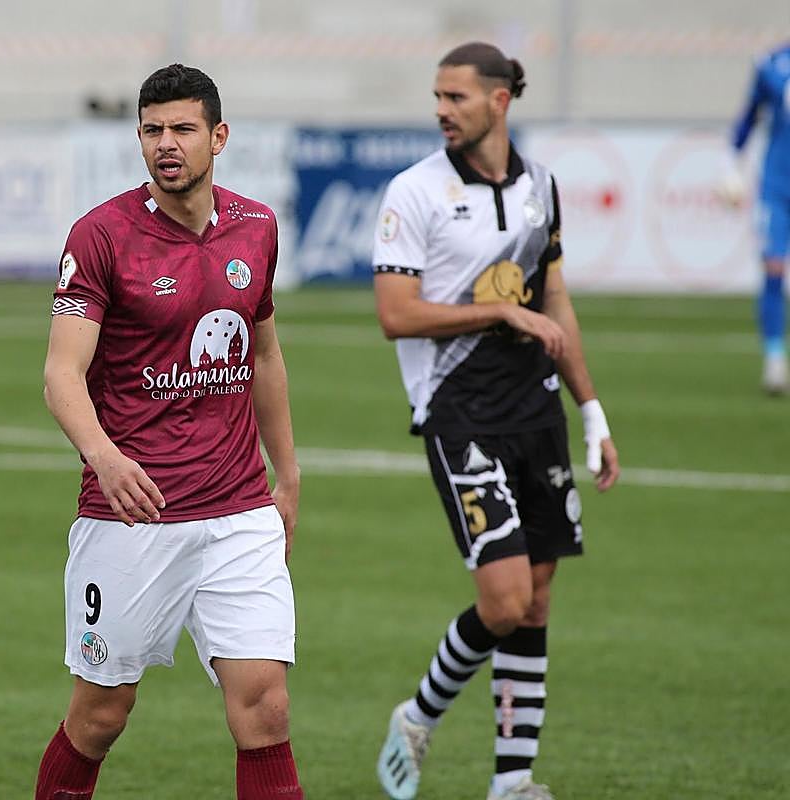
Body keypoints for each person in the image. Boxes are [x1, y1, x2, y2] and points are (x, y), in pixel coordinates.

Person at [34, 63, 305, 800]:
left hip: (238, 508)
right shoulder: (100, 237)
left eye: (182, 128)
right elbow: (62, 376)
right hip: (133, 513)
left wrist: (287, 475)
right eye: (152, 130)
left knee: (267, 709)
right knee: (101, 716)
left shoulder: (257, 228)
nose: (166, 144)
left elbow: (266, 354)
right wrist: (104, 457)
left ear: (218, 136)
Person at [369, 42, 621, 800]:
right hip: (459, 413)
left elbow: (556, 305)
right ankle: (418, 715)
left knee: (538, 599)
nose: (443, 110)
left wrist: (592, 411)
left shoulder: (542, 185)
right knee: (505, 600)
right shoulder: (412, 193)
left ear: (501, 100)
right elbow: (395, 315)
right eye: (438, 97)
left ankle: (513, 784)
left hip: (535, 409)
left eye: (457, 97)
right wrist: (500, 311)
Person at [723, 41, 790, 394]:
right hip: (777, 188)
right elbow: (749, 116)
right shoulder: (773, 64)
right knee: (774, 268)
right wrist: (731, 165)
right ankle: (775, 359)